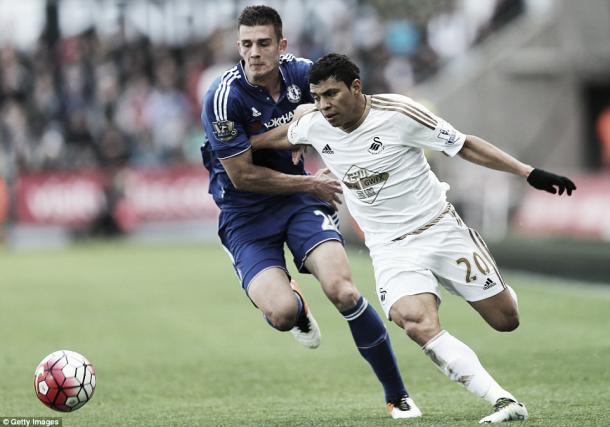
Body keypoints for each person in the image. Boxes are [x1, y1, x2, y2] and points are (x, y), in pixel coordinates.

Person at [252, 53, 577, 424]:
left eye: (332, 95)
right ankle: (503, 401)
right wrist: (231, 144)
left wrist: (527, 172)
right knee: (414, 321)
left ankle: (485, 281)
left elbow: (463, 144)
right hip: (391, 247)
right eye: (318, 97)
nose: (325, 106)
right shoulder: (313, 123)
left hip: (439, 228)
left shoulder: (400, 114)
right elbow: (267, 139)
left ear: (356, 88)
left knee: (506, 319)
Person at [200, 6, 421, 419]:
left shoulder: (304, 75)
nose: (254, 53)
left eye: (264, 43)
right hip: (245, 215)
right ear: (238, 47)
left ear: (281, 46)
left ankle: (397, 395)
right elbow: (244, 176)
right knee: (281, 314)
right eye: (246, 44)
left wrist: (309, 117)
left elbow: (351, 107)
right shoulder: (222, 98)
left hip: (299, 204)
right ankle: (299, 310)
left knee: (344, 290)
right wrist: (309, 177)